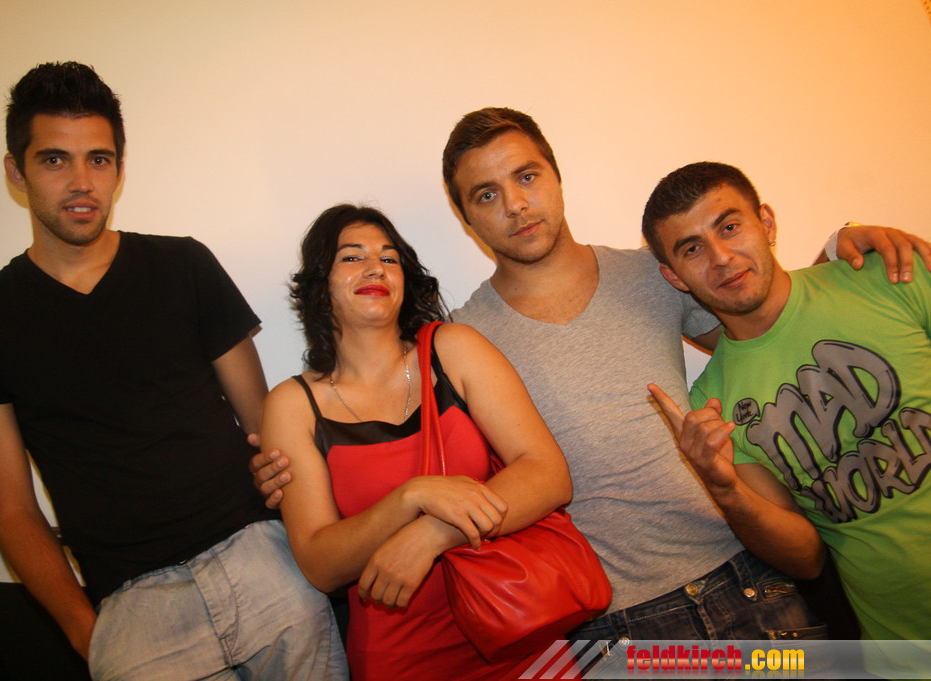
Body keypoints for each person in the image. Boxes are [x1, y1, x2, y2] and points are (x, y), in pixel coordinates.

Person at [252, 108, 930, 643]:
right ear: (466, 218)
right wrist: (278, 460)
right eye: (487, 194)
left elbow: (765, 320)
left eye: (526, 177)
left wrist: (841, 248)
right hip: (616, 624)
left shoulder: (655, 273)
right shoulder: (462, 340)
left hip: (749, 580)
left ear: (555, 176)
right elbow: (391, 426)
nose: (515, 204)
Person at [0, 62, 347, 681]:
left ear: (120, 168)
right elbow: (14, 510)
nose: (81, 182)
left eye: (98, 159)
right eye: (54, 160)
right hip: (136, 610)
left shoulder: (184, 265)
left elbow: (264, 425)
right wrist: (86, 633)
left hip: (263, 564)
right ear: (16, 171)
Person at [260, 204, 574, 680]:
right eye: (352, 257)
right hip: (400, 658)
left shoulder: (454, 348)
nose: (374, 268)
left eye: (389, 258)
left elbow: (548, 475)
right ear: (320, 285)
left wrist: (433, 533)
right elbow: (320, 564)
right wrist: (412, 496)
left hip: (519, 627)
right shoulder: (292, 404)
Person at [641, 161, 931, 643]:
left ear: (767, 223)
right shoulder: (712, 407)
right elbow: (806, 560)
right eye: (693, 249)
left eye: (729, 227)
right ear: (675, 277)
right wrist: (725, 489)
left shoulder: (889, 274)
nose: (721, 257)